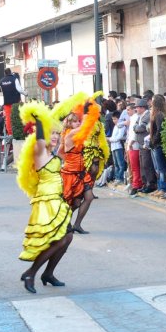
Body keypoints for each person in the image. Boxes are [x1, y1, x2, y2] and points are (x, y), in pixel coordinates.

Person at [17, 102, 73, 294]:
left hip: (58, 201)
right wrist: (40, 120)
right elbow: (40, 138)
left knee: (68, 237)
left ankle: (48, 273)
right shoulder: (40, 153)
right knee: (57, 240)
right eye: (53, 135)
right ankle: (31, 273)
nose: (56, 138)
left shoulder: (53, 154)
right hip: (46, 203)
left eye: (57, 135)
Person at [60, 100, 100, 235]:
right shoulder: (70, 134)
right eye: (76, 121)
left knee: (88, 198)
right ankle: (65, 223)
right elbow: (85, 127)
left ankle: (77, 224)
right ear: (70, 124)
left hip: (81, 171)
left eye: (79, 121)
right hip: (71, 173)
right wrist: (90, 112)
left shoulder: (76, 135)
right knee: (74, 202)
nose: (78, 123)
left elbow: (60, 151)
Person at [149, 95, 166, 199]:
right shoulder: (161, 113)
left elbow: (160, 130)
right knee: (163, 168)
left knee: (164, 168)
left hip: (159, 145)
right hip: (159, 144)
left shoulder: (159, 114)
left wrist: (153, 141)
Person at [133, 98, 157, 193]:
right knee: (142, 165)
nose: (136, 109)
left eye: (138, 108)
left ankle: (151, 184)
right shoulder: (140, 116)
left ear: (142, 108)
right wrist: (136, 128)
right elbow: (135, 126)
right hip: (140, 144)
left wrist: (136, 128)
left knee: (147, 165)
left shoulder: (147, 115)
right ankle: (145, 183)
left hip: (145, 144)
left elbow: (141, 128)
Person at [0, 68, 27, 135]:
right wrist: (26, 93)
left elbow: (2, 91)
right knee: (17, 116)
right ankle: (19, 132)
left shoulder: (1, 81)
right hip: (15, 102)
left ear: (5, 73)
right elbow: (19, 89)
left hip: (6, 102)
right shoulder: (14, 79)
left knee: (8, 118)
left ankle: (10, 133)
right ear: (11, 72)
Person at [108, 111, 127, 185]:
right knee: (115, 163)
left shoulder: (121, 126)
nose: (114, 121)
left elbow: (119, 137)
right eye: (113, 119)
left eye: (115, 119)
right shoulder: (116, 126)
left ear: (119, 119)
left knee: (120, 163)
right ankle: (117, 177)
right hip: (113, 147)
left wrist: (110, 139)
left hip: (118, 146)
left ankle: (120, 178)